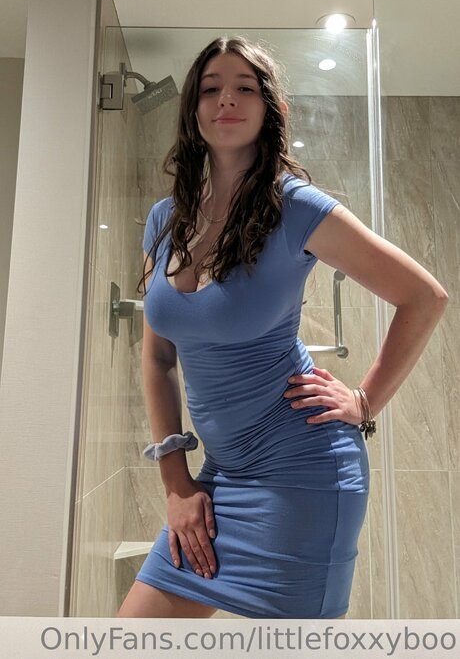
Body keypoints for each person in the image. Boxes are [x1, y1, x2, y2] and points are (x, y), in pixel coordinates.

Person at [117, 35, 448, 619]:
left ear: (272, 109)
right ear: (193, 109)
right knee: (127, 643)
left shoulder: (298, 208)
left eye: (245, 88)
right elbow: (159, 356)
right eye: (211, 88)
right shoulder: (165, 219)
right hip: (218, 475)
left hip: (302, 475)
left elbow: (424, 298)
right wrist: (176, 481)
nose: (226, 99)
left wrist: (365, 401)